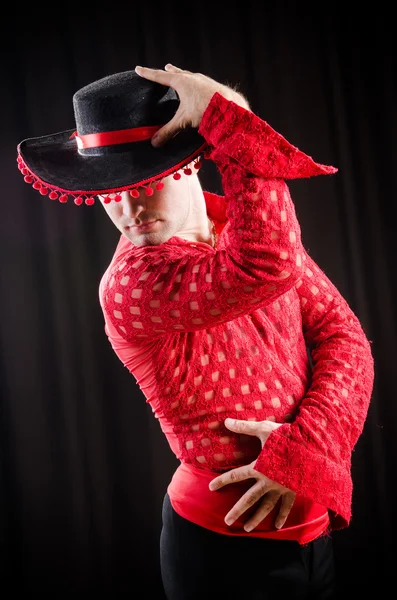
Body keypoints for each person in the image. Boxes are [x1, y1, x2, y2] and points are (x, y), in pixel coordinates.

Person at [16, 64, 375, 599]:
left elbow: (344, 336)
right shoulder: (132, 284)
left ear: (186, 165)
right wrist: (232, 116)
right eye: (108, 192)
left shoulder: (240, 224)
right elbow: (267, 262)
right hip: (222, 552)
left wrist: (303, 449)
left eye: (142, 183)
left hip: (313, 536)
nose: (129, 209)